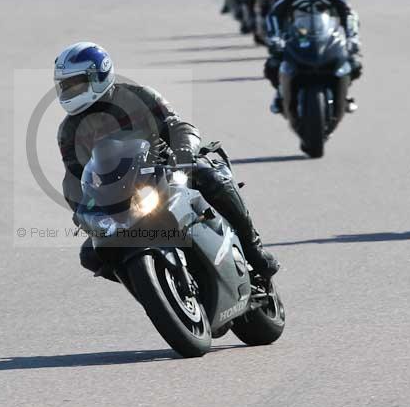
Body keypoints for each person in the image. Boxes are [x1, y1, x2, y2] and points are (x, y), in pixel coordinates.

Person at [54, 41, 280, 280]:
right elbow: (73, 177)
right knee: (90, 255)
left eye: (75, 83)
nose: (69, 91)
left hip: (165, 169)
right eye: (65, 85)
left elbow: (178, 125)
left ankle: (253, 249)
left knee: (209, 175)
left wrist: (183, 153)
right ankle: (149, 283)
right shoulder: (68, 131)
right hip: (119, 197)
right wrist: (81, 211)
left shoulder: (138, 96)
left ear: (99, 74)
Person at [263, 0, 362, 113]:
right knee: (272, 65)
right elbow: (274, 15)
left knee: (354, 64)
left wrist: (352, 37)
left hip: (327, 35)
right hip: (296, 35)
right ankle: (280, 94)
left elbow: (348, 13)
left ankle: (343, 95)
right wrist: (275, 38)